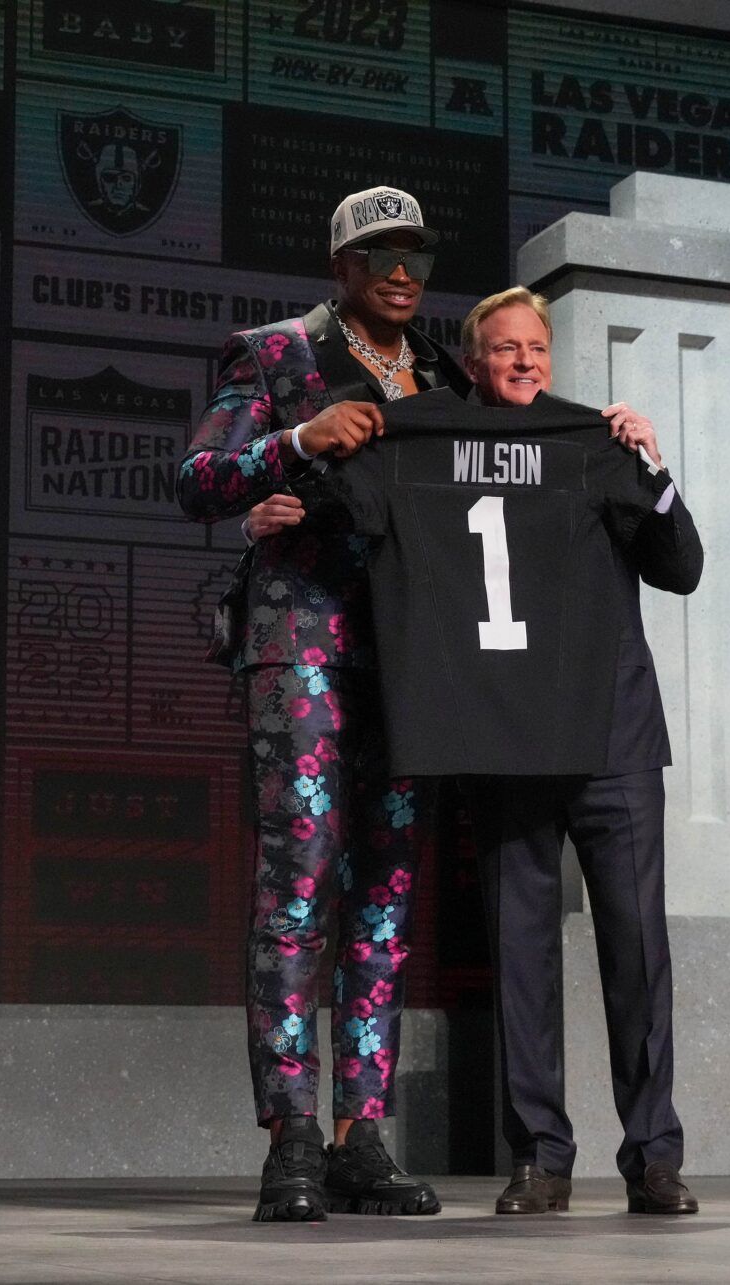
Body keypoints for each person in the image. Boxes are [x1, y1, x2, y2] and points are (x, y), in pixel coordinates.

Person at [175, 186, 465, 1222]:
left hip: (409, 649)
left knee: (387, 893)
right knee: (299, 877)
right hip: (301, 636)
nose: (402, 271)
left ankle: (360, 1134)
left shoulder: (444, 372)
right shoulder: (276, 354)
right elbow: (200, 476)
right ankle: (291, 1131)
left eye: (416, 254)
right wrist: (299, 442)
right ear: (342, 265)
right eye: (380, 254)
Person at [456, 288, 704, 1217]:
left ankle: (654, 1157)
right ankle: (540, 1160)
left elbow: (680, 569)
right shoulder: (447, 453)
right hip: (508, 741)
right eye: (505, 349)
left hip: (615, 739)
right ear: (476, 363)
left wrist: (653, 462)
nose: (524, 361)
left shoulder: (595, 443)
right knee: (521, 956)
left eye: (538, 347)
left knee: (638, 951)